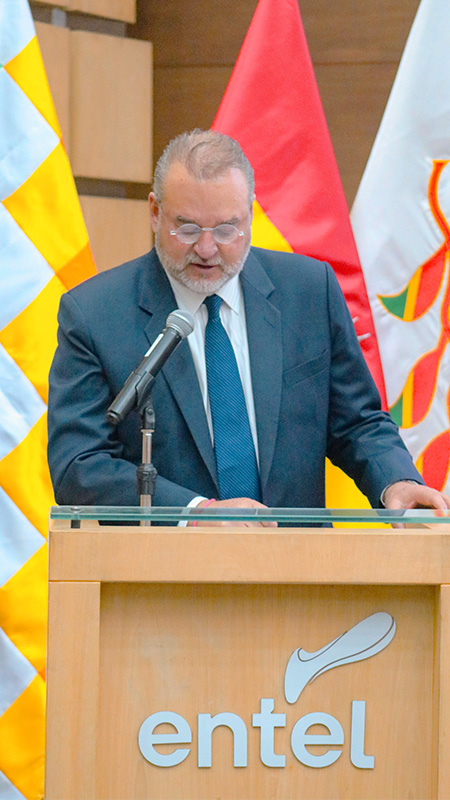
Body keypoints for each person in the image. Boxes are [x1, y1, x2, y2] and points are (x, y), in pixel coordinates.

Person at [47, 129, 450, 525]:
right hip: (167, 563)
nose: (207, 249)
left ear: (251, 214)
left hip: (299, 560)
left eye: (226, 229)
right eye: (187, 228)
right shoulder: (95, 314)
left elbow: (357, 420)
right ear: (154, 212)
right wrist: (196, 512)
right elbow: (78, 465)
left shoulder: (309, 290)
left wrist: (395, 481)